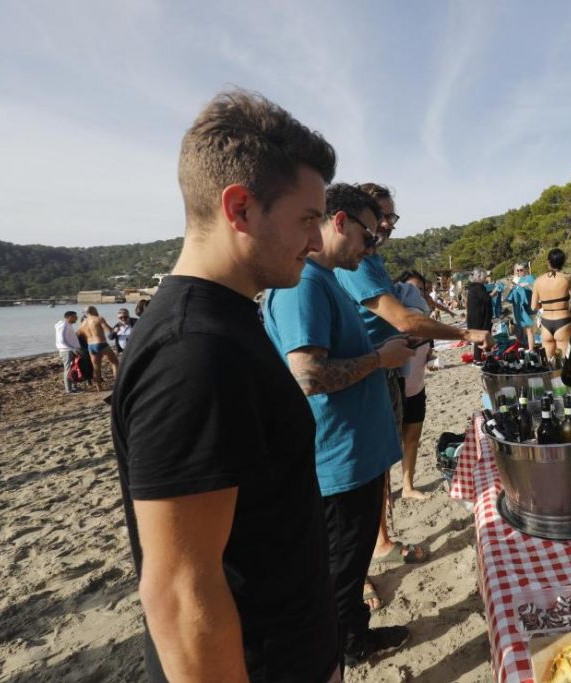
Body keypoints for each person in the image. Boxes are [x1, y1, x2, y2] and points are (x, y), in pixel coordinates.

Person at [109, 89, 342, 683]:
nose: (317, 242)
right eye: (307, 219)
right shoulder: (193, 352)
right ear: (240, 208)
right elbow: (179, 594)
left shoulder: (228, 320)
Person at [264, 183, 414, 668]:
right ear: (341, 221)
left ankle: (353, 635)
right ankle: (346, 647)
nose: (371, 248)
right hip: (338, 463)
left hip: (354, 459)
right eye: (368, 236)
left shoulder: (325, 280)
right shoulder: (305, 284)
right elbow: (307, 375)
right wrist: (380, 359)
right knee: (340, 569)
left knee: (349, 564)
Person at [335, 183, 493, 567]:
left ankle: (380, 542)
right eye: (379, 216)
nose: (386, 224)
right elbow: (403, 319)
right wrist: (465, 333)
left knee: (378, 467)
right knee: (360, 477)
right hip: (362, 376)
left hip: (384, 371)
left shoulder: (372, 260)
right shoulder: (356, 264)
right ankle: (365, 562)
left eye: (391, 217)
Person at [393, 269, 434, 500]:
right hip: (393, 389)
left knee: (412, 438)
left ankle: (407, 486)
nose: (417, 294)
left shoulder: (426, 321)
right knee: (388, 446)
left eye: (421, 290)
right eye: (412, 289)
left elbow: (427, 350)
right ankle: (385, 494)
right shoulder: (393, 322)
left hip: (417, 387)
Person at [531, 248, 571, 359]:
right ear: (563, 262)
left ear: (548, 262)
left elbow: (533, 306)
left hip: (546, 323)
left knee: (548, 362)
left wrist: (545, 305)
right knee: (563, 362)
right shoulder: (568, 278)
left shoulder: (538, 281)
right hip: (563, 321)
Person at [79, 306, 118, 390]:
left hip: (90, 345)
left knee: (96, 367)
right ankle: (118, 384)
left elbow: (81, 335)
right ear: (93, 310)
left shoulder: (83, 322)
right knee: (115, 363)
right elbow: (109, 330)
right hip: (101, 343)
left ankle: (98, 387)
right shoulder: (98, 319)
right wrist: (115, 330)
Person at [506, 262, 536, 350]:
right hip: (519, 310)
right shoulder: (517, 280)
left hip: (528, 310)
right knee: (524, 330)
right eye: (517, 270)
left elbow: (536, 289)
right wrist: (510, 288)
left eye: (521, 270)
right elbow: (509, 297)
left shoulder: (530, 278)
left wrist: (528, 285)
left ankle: (531, 350)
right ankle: (526, 347)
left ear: (526, 269)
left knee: (529, 330)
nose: (518, 272)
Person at [464, 269, 493, 362]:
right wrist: (495, 291)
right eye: (484, 277)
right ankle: (477, 359)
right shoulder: (478, 287)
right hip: (479, 318)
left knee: (483, 337)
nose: (485, 278)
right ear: (479, 277)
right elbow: (486, 298)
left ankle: (488, 356)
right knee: (481, 337)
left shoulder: (473, 287)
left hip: (475, 317)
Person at [54, 311, 82, 394]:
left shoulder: (68, 325)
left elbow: (69, 338)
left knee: (74, 368)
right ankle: (69, 390)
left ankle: (74, 387)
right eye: (75, 317)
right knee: (68, 369)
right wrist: (73, 349)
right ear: (70, 317)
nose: (77, 318)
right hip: (67, 351)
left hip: (71, 350)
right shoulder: (63, 325)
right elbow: (62, 340)